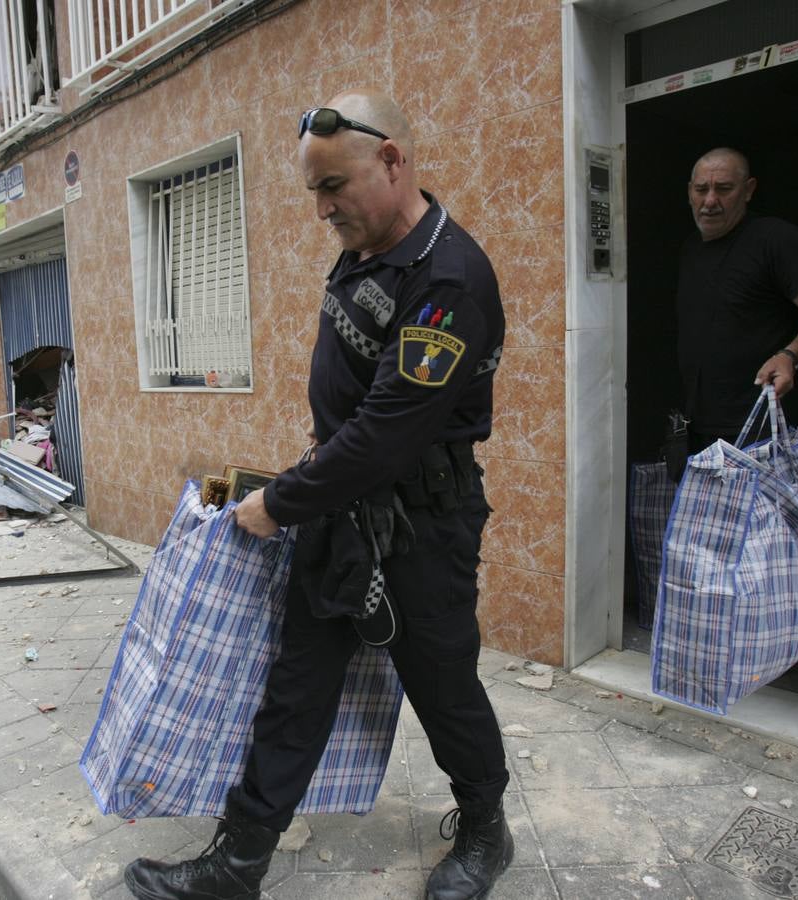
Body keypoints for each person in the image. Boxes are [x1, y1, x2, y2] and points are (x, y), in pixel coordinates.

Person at [122, 89, 511, 900]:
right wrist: (308, 489)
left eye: (333, 187)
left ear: (394, 161)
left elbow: (386, 434)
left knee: (444, 689)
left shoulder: (449, 278)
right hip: (342, 512)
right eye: (314, 191)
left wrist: (277, 504)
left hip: (422, 529)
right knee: (296, 688)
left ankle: (485, 829)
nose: (323, 209)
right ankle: (238, 864)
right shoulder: (367, 249)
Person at [677, 147, 798, 452]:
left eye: (724, 189)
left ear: (749, 190)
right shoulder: (690, 249)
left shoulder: (776, 240)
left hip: (764, 431)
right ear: (690, 192)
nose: (710, 201)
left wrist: (790, 355)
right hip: (700, 428)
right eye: (701, 189)